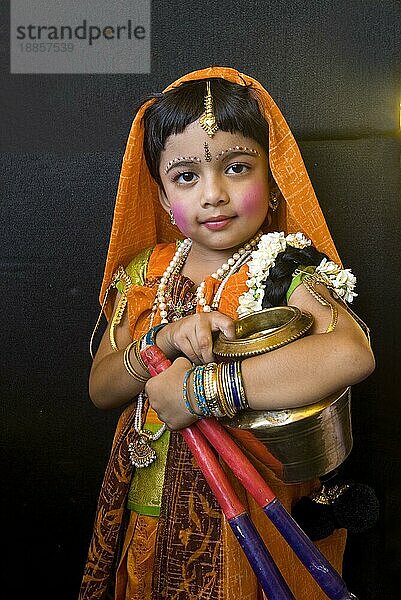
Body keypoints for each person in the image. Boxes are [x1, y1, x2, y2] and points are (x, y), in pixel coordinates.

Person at [79, 66, 375, 600]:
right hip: (147, 508)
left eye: (237, 168)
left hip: (252, 511)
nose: (213, 194)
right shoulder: (146, 272)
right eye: (186, 177)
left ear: (272, 171)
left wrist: (201, 390)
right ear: (162, 193)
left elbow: (351, 352)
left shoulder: (281, 264)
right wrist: (163, 342)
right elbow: (102, 390)